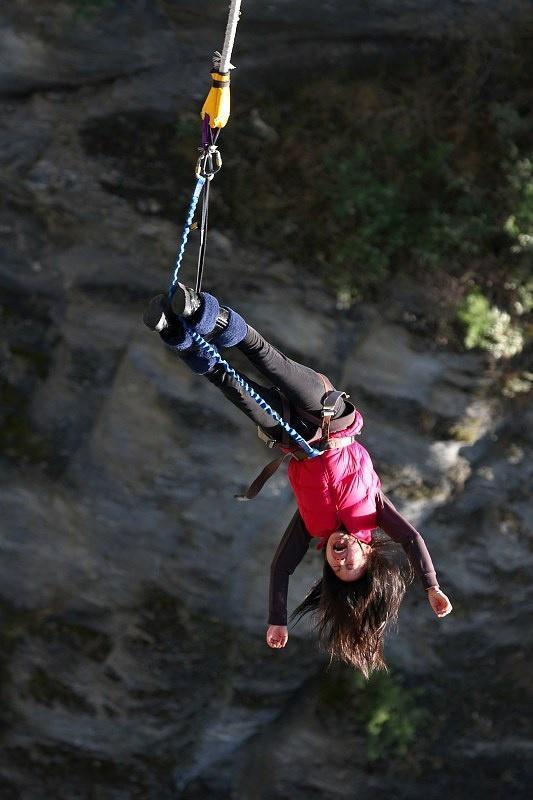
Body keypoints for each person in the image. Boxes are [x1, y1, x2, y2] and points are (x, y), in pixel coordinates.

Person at [143, 285, 453, 677]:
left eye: (336, 567)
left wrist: (278, 619)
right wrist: (431, 586)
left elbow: (282, 568)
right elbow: (411, 539)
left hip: (293, 439)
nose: (341, 559)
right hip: (329, 416)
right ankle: (203, 311)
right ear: (369, 553)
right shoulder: (374, 514)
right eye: (351, 563)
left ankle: (176, 333)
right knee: (268, 360)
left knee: (233, 385)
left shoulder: (313, 527)